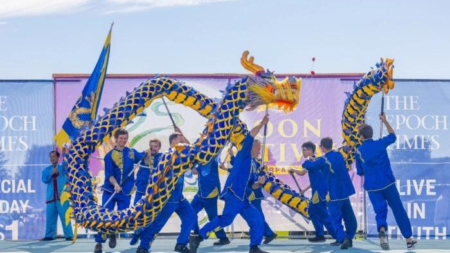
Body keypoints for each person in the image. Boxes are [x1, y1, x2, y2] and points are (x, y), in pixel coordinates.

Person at [190, 115, 271, 253]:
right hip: (234, 195)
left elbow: (252, 185)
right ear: (251, 147)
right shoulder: (244, 154)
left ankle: (254, 247)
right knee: (226, 220)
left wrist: (259, 182)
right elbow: (251, 133)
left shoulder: (252, 164)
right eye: (258, 147)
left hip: (243, 199)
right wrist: (262, 122)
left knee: (256, 219)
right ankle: (198, 237)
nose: (259, 150)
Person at [355, 114, 417, 250]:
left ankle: (382, 231)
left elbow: (359, 172)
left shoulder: (358, 152)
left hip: (372, 187)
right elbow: (393, 136)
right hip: (387, 183)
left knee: (380, 212)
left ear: (361, 136)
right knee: (398, 209)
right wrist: (385, 121)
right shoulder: (380, 144)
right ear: (371, 133)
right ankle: (408, 238)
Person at [136, 130, 196, 253]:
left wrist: (183, 136)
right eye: (181, 140)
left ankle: (181, 244)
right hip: (168, 196)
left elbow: (193, 152)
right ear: (173, 141)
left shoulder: (181, 153)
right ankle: (143, 246)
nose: (183, 142)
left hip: (178, 196)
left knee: (190, 216)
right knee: (159, 223)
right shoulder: (168, 155)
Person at [94, 128, 148, 253]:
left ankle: (113, 233)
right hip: (110, 190)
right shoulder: (109, 156)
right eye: (121, 138)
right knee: (105, 215)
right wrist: (116, 185)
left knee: (121, 217)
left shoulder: (131, 152)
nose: (123, 140)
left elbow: (143, 158)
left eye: (125, 138)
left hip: (126, 192)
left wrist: (150, 151)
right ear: (116, 139)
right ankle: (99, 243)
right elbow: (109, 174)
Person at [303, 137, 356, 250]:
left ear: (321, 147)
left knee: (335, 219)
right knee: (349, 217)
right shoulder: (338, 155)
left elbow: (308, 166)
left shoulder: (323, 159)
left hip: (333, 193)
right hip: (344, 192)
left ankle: (342, 238)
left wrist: (308, 159)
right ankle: (349, 237)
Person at [289, 141, 335, 243]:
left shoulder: (313, 161)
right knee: (313, 212)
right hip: (317, 191)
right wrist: (304, 190)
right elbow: (316, 180)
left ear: (310, 150)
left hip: (319, 192)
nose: (303, 153)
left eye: (304, 150)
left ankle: (338, 236)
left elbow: (301, 173)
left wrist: (292, 169)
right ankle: (320, 235)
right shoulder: (315, 162)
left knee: (323, 214)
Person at [242, 139, 277, 244]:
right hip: (249, 192)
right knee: (255, 215)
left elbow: (257, 177)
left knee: (257, 215)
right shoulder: (250, 161)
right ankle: (264, 232)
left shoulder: (256, 162)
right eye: (258, 147)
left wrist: (261, 175)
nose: (259, 150)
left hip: (254, 193)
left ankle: (267, 233)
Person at [130, 138, 163, 245]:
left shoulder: (161, 157)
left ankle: (144, 239)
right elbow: (136, 158)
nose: (153, 148)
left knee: (150, 216)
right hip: (141, 190)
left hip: (153, 193)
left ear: (159, 148)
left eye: (155, 146)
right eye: (151, 146)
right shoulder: (143, 155)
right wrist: (145, 154)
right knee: (137, 213)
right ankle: (136, 233)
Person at [191, 159, 231, 246]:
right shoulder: (203, 159)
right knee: (190, 212)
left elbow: (194, 171)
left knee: (213, 218)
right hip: (201, 193)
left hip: (210, 194)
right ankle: (196, 232)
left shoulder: (209, 160)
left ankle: (223, 238)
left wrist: (189, 161)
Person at [41, 150, 73, 241]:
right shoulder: (47, 170)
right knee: (50, 217)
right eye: (51, 157)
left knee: (65, 216)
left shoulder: (63, 167)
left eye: (54, 156)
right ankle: (49, 235)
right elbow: (44, 179)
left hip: (62, 197)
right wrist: (51, 173)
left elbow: (69, 164)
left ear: (58, 158)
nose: (52, 158)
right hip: (51, 197)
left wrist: (65, 153)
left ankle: (69, 235)